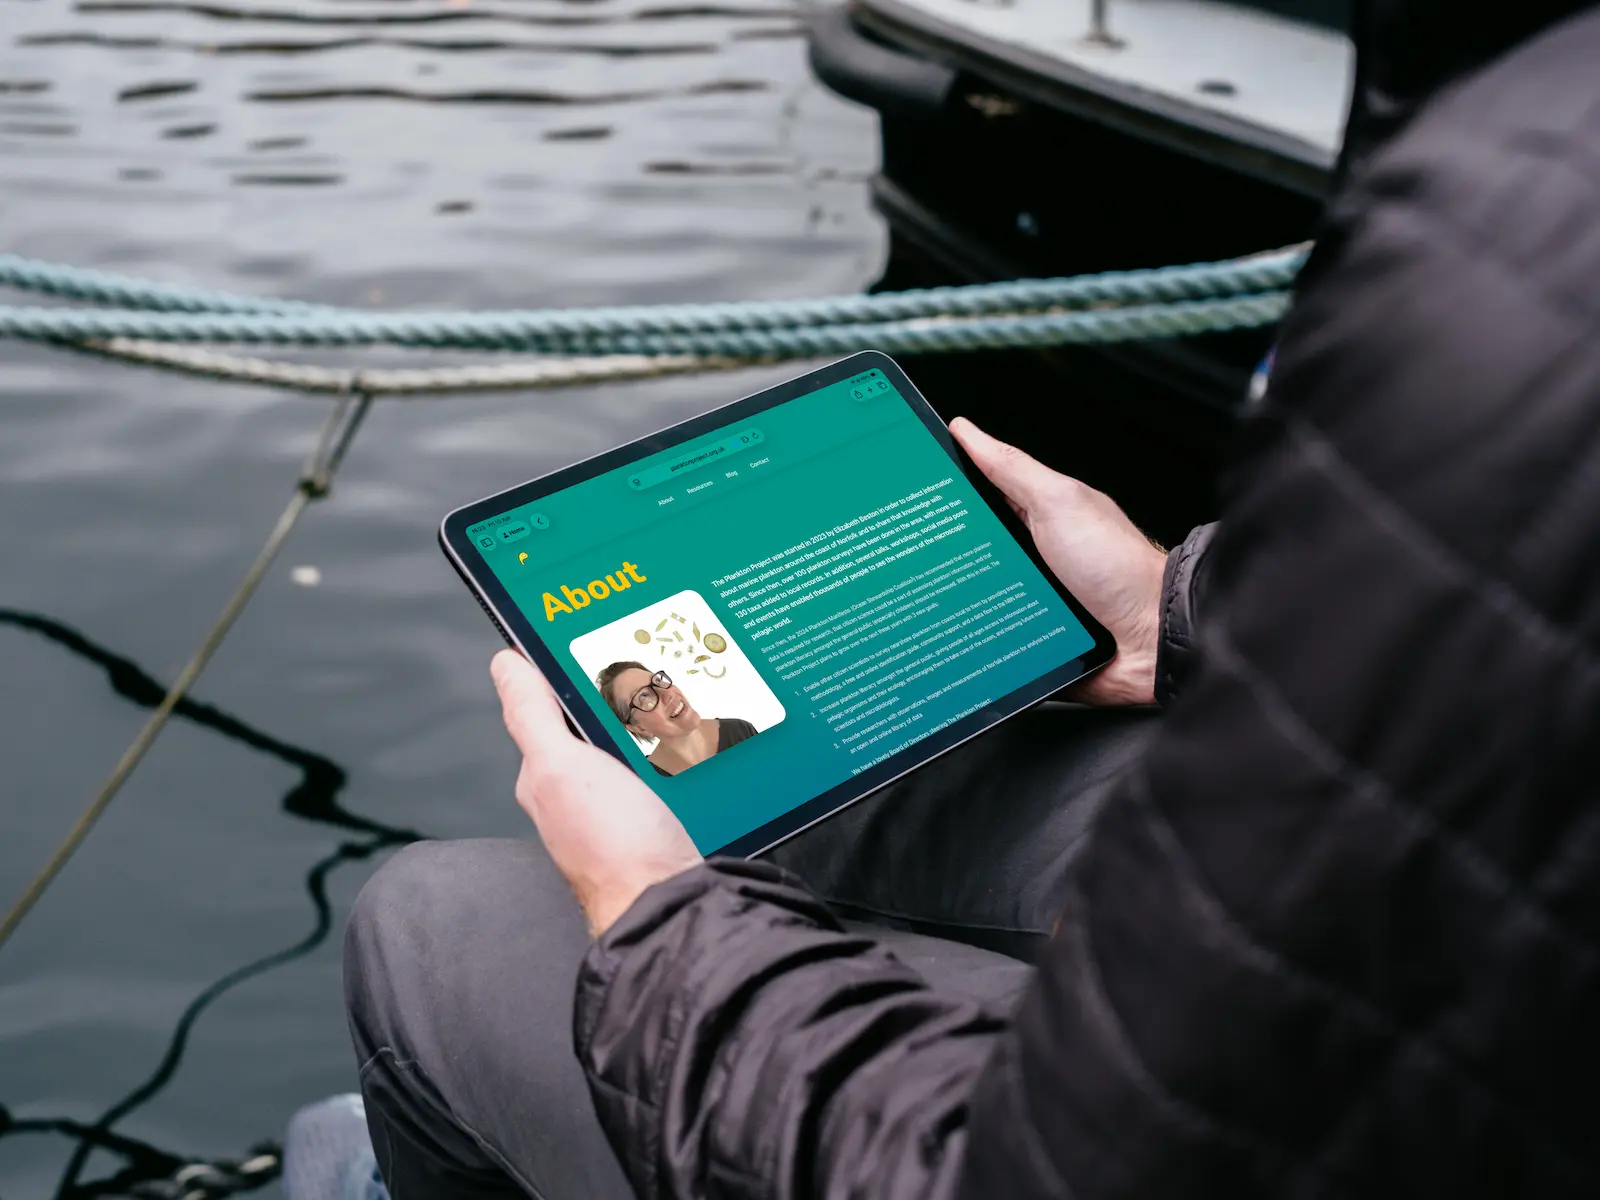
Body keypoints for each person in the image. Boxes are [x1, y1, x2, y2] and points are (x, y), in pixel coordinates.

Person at [343, 1, 1600, 1195]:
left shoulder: (1513, 241)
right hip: (1480, 933)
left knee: (431, 919)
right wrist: (1177, 613)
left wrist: (659, 926)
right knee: (821, 795)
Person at [594, 662, 756, 777]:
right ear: (638, 728)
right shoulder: (646, 784)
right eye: (644, 696)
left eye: (658, 681)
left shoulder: (740, 731)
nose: (667, 694)